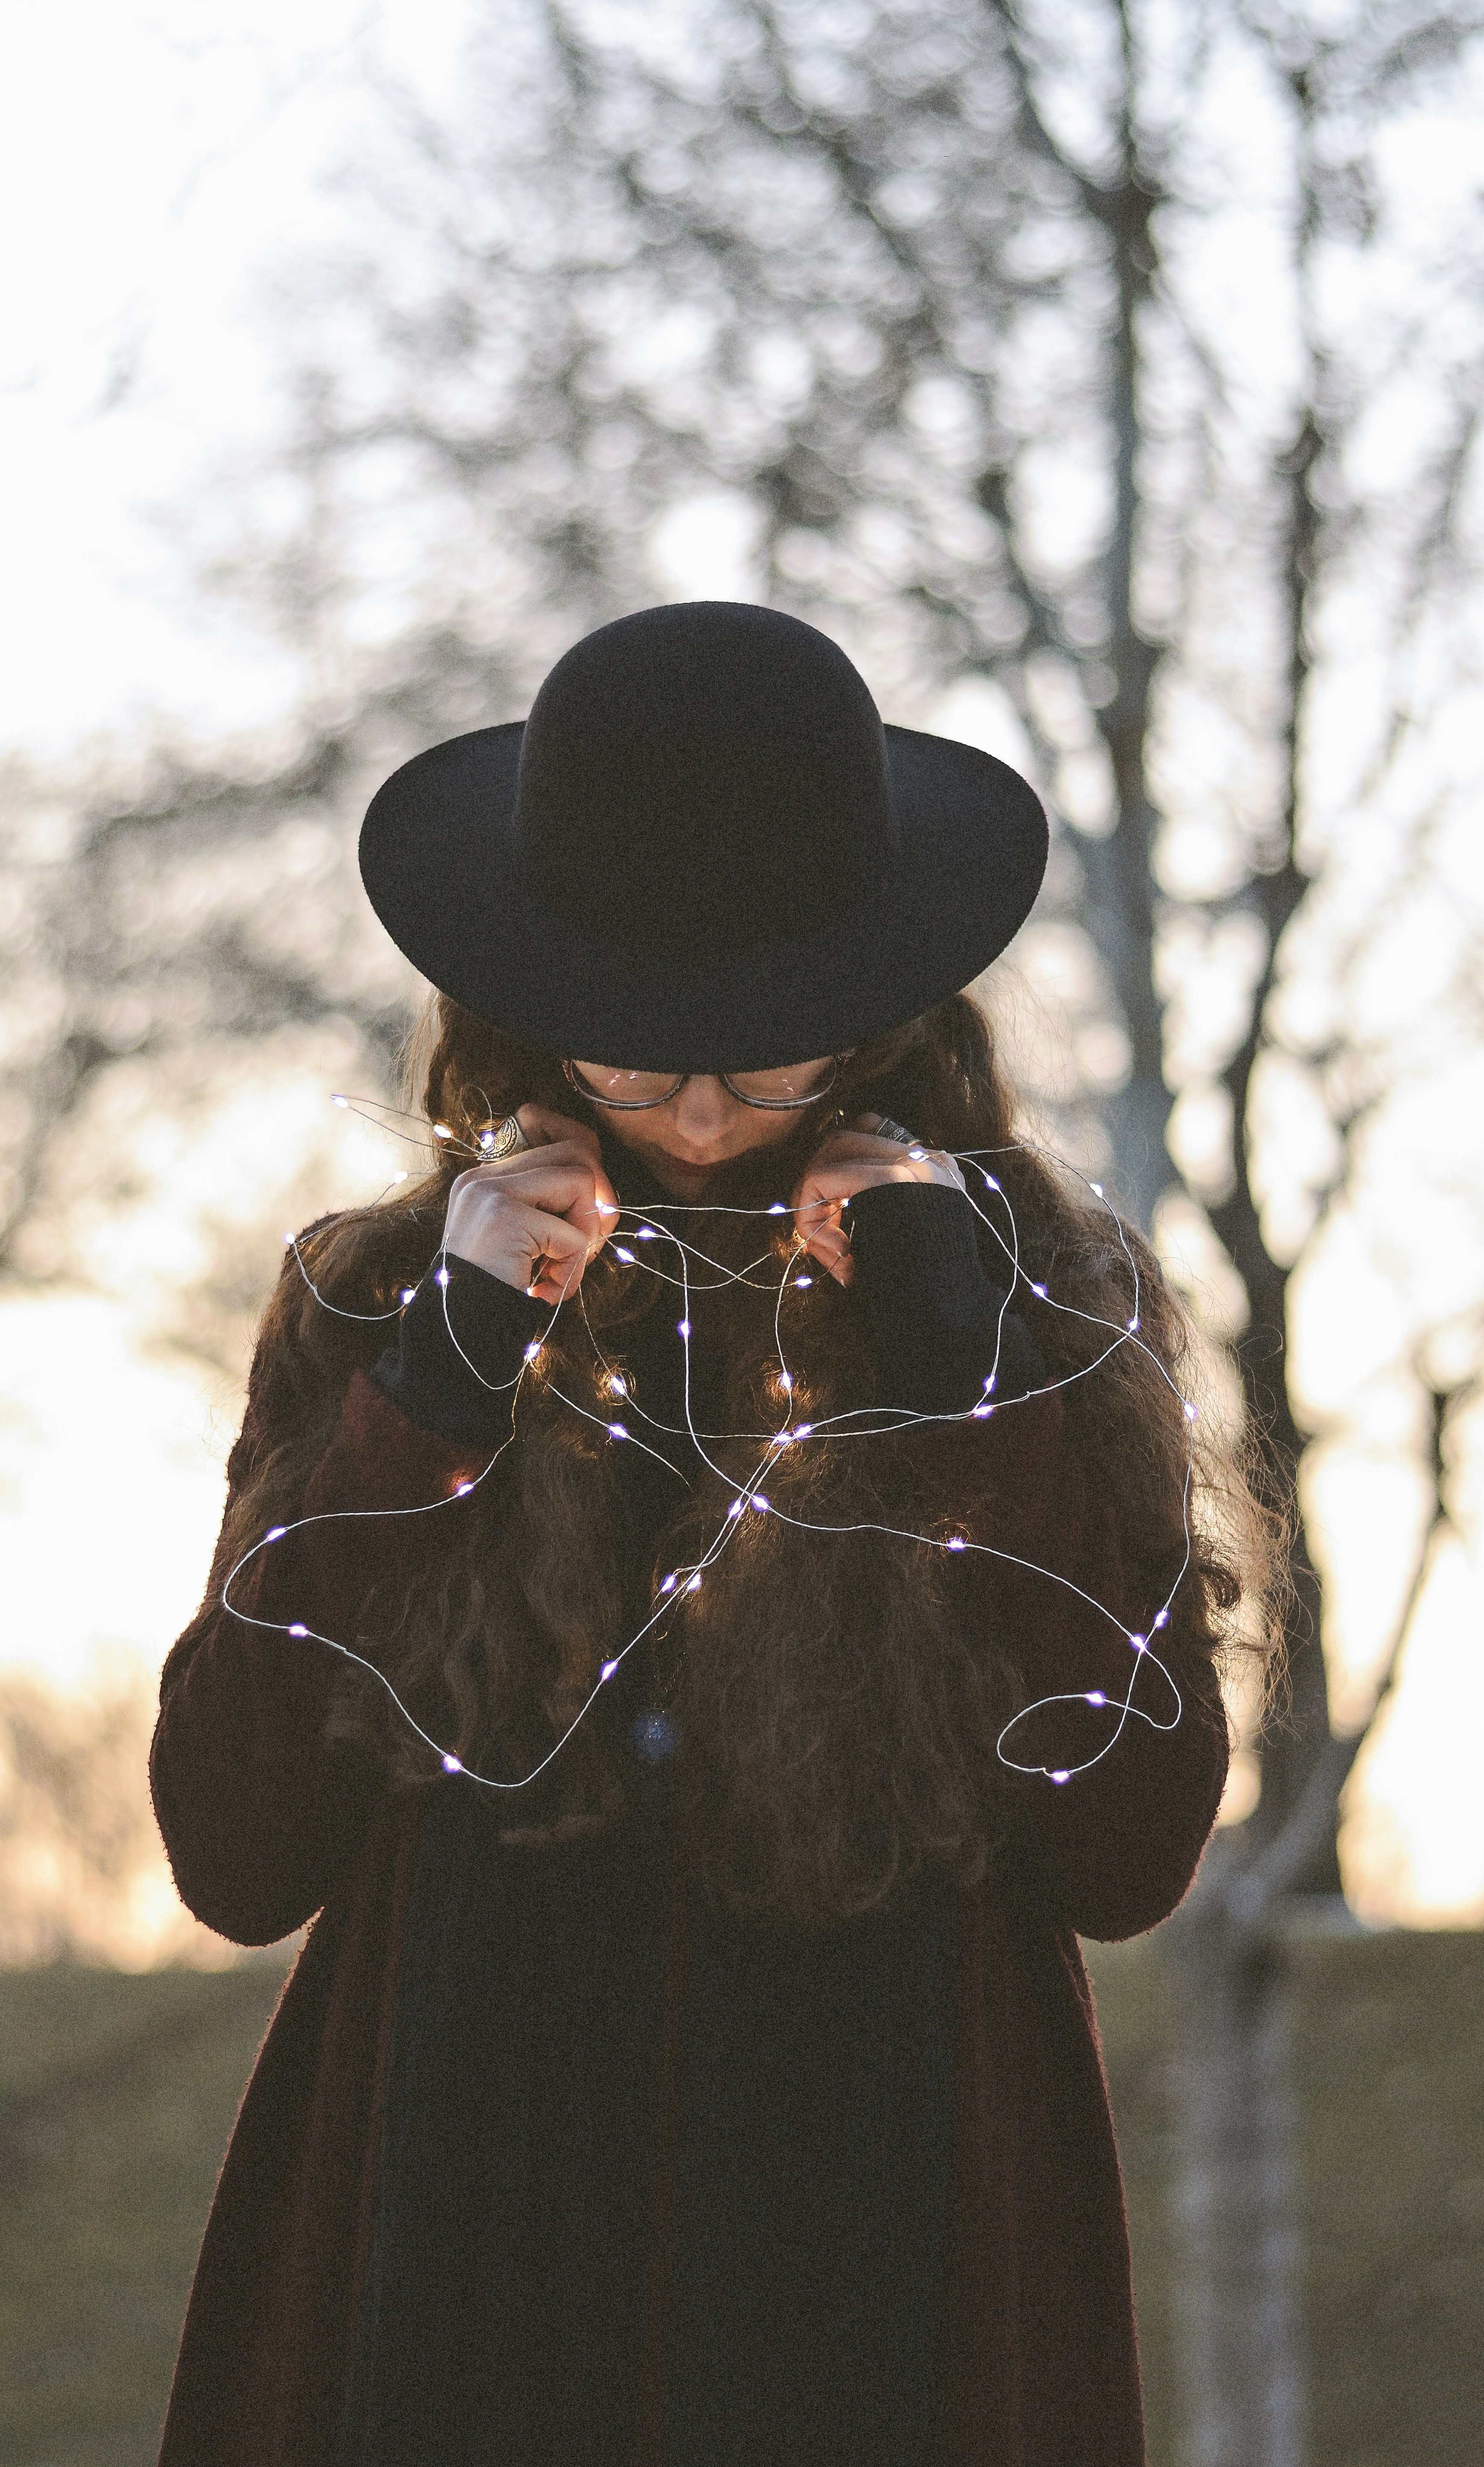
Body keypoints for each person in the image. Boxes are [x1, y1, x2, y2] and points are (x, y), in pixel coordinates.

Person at [150, 603, 1277, 2467]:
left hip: (895, 2244)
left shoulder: (1034, 1292)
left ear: (884, 1011)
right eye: (632, 1054)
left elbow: (1130, 1840)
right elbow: (234, 1845)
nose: (690, 1113)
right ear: (522, 1009)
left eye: (764, 1059)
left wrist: (963, 1383)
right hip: (448, 2239)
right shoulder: (378, 1296)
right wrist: (428, 1385)